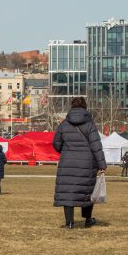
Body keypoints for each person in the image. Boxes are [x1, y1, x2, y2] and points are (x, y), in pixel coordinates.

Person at [53, 97, 107, 229]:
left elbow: (56, 143)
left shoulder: (64, 124)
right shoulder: (90, 124)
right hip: (86, 164)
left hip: (67, 163)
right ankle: (87, 220)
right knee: (87, 192)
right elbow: (96, 146)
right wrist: (102, 165)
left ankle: (70, 222)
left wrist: (66, 152)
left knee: (68, 192)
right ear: (85, 107)